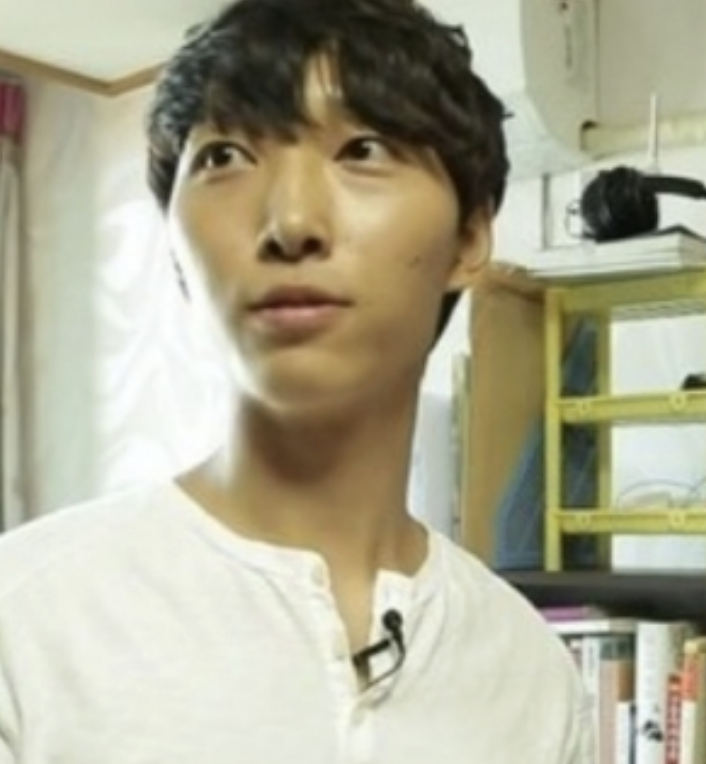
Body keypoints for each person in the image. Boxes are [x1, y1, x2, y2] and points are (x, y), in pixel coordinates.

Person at [0, 0, 592, 761]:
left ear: (470, 236)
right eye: (224, 157)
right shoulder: (29, 622)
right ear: (175, 246)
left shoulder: (530, 677)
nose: (291, 223)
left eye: (363, 150)